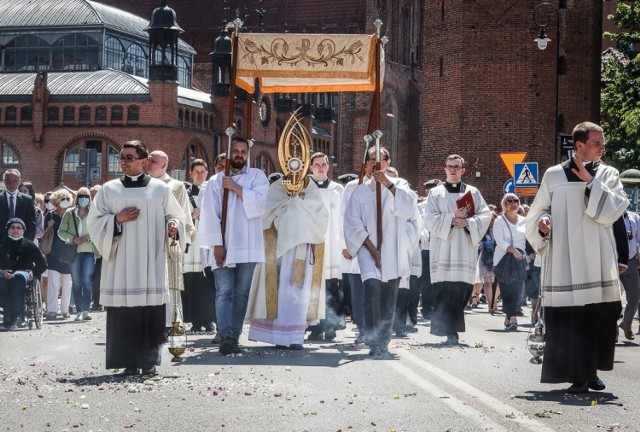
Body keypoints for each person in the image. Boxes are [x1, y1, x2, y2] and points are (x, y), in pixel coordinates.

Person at [525, 121, 628, 394]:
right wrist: (543, 222)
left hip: (597, 258)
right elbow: (537, 212)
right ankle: (577, 376)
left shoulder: (608, 174)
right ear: (579, 145)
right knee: (570, 319)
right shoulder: (553, 175)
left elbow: (614, 211)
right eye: (597, 143)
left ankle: (591, 372)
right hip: (564, 260)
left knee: (597, 318)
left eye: (602, 142)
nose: (602, 147)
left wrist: (590, 182)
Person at [87, 140, 185, 376]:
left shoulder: (161, 190)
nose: (123, 161)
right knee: (124, 313)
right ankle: (128, 362)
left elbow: (178, 217)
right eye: (121, 157)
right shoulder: (108, 190)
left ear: (143, 162)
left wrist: (173, 225)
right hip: (120, 263)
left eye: (128, 157)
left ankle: (149, 361)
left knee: (150, 311)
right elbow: (93, 222)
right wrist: (116, 220)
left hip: (151, 261)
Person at [197, 137, 269, 355]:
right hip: (224, 245)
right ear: (228, 153)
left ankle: (234, 335)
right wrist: (217, 245)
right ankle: (226, 334)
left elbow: (260, 204)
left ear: (248, 154)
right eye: (235, 151)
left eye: (243, 151)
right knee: (224, 291)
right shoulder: (215, 181)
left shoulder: (258, 176)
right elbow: (209, 215)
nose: (239, 155)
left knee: (241, 293)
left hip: (248, 244)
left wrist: (236, 188)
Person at [343, 147, 417, 356]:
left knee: (388, 295)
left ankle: (383, 340)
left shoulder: (400, 185)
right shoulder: (360, 191)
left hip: (392, 249)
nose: (375, 163)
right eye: (371, 159)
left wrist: (387, 184)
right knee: (372, 289)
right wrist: (372, 250)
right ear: (366, 164)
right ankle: (373, 337)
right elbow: (352, 223)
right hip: (368, 249)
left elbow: (409, 208)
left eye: (380, 159)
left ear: (387, 162)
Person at [247, 174, 328, 350]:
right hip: (279, 250)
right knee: (280, 290)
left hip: (302, 250)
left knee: (298, 293)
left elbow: (321, 218)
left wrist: (297, 205)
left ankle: (295, 336)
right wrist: (290, 205)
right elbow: (267, 213)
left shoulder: (311, 187)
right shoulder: (277, 186)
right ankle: (276, 335)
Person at [424, 155, 492, 345]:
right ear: (445, 169)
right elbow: (429, 218)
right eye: (449, 167)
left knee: (462, 289)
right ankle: (450, 332)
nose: (453, 170)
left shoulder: (473, 192)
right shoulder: (435, 193)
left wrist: (468, 222)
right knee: (445, 290)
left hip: (464, 248)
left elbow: (485, 216)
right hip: (443, 249)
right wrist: (452, 219)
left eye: (457, 167)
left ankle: (450, 330)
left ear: (463, 170)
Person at [147, 150, 195, 329]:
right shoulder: (144, 185)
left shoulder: (176, 186)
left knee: (171, 281)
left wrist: (179, 232)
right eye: (148, 160)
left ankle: (172, 321)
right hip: (148, 242)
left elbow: (183, 216)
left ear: (164, 165)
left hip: (170, 242)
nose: (148, 163)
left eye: (153, 161)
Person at [306, 152, 345, 342]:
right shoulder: (304, 189)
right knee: (313, 288)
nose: (320, 168)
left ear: (328, 167)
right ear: (311, 168)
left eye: (323, 164)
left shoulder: (339, 190)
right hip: (312, 242)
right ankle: (315, 327)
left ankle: (331, 326)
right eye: (316, 165)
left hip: (332, 244)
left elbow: (345, 218)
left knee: (331, 286)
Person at [182, 159, 216, 334]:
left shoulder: (213, 192)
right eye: (196, 171)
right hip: (191, 245)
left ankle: (209, 320)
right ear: (191, 173)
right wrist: (191, 214)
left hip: (207, 244)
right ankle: (195, 321)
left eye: (203, 171)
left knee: (207, 283)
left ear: (207, 173)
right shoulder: (184, 194)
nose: (200, 174)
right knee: (191, 284)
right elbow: (178, 215)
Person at [58, 187, 100, 322]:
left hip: (89, 251)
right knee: (76, 282)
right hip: (73, 252)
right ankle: (79, 310)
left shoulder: (94, 213)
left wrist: (87, 238)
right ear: (77, 198)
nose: (83, 198)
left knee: (87, 280)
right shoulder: (69, 213)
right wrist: (73, 239)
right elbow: (61, 232)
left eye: (86, 196)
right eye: (81, 196)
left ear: (89, 198)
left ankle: (86, 310)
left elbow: (99, 231)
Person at [0, 218, 47, 331]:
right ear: (8, 230)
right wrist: (2, 271)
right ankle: (7, 318)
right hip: (3, 272)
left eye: (18, 228)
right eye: (12, 227)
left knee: (18, 278)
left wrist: (33, 273)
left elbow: (42, 264)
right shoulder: (2, 244)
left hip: (22, 273)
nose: (15, 230)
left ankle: (18, 318)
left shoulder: (29, 245)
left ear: (23, 230)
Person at [493, 193, 527, 330]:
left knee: (517, 290)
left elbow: (529, 238)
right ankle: (512, 317)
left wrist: (531, 252)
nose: (513, 203)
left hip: (520, 259)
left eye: (516, 201)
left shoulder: (524, 220)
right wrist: (513, 250)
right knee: (507, 289)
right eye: (510, 201)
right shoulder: (499, 221)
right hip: (503, 260)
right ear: (504, 204)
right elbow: (499, 241)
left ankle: (508, 316)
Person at [44, 189, 74, 320]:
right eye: (62, 199)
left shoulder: (72, 215)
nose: (65, 202)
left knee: (67, 283)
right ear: (56, 201)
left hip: (68, 253)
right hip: (53, 253)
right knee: (53, 283)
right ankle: (51, 310)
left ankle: (65, 310)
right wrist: (48, 227)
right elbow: (43, 235)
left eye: (67, 199)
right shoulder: (50, 215)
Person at [419, 179, 441, 320]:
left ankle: (438, 306)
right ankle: (427, 307)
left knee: (440, 279)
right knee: (427, 279)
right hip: (427, 247)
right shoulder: (421, 206)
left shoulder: (443, 205)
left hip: (441, 246)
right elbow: (420, 226)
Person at [618, 210, 640, 341]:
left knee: (634, 298)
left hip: (631, 262)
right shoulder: (610, 217)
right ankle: (612, 331)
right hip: (613, 264)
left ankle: (626, 325)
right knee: (611, 299)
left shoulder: (635, 218)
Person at [0, 169, 36, 242]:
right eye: (8, 181)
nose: (11, 184)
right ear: (4, 181)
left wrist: (27, 243)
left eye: (14, 181)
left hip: (21, 242)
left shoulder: (27, 200)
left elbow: (31, 223)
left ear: (19, 181)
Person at [474, 212, 498, 314]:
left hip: (498, 259)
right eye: (490, 220)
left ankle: (495, 301)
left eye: (494, 220)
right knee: (488, 282)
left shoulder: (500, 230)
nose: (492, 222)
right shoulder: (482, 232)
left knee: (498, 283)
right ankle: (490, 304)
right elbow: (476, 244)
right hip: (486, 259)